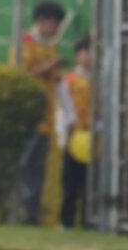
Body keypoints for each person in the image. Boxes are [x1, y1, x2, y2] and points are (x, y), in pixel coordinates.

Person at [11, 0, 65, 225]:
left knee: (38, 169)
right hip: (27, 117)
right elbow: (22, 75)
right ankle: (19, 213)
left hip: (45, 118)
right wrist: (50, 66)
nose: (57, 30)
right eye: (55, 24)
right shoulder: (26, 43)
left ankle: (31, 215)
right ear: (42, 21)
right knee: (25, 164)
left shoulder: (49, 47)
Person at [56, 35, 91, 228]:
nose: (89, 57)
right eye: (85, 52)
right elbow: (62, 110)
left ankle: (88, 222)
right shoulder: (69, 80)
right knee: (70, 184)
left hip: (94, 140)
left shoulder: (103, 80)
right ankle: (66, 222)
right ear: (77, 55)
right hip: (73, 139)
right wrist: (64, 139)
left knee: (90, 186)